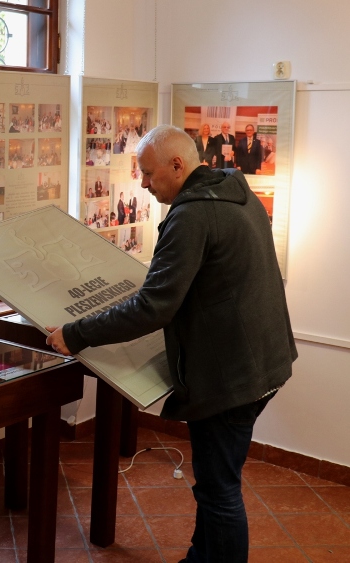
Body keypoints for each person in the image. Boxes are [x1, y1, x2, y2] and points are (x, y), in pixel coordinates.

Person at [45, 125, 296, 563]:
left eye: (148, 172)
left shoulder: (192, 214)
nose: (142, 183)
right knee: (217, 480)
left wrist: (76, 333)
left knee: (219, 490)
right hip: (264, 363)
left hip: (230, 377)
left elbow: (153, 307)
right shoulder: (233, 188)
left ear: (178, 165)